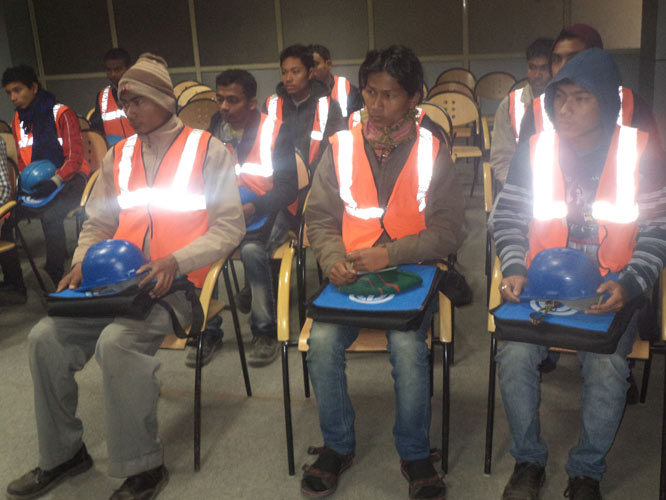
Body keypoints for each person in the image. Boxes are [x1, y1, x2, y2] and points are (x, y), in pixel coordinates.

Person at [4, 53, 245, 500]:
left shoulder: (207, 150)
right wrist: (81, 261)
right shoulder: (119, 155)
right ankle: (63, 454)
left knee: (117, 343)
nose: (129, 111)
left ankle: (143, 468)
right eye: (124, 101)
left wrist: (176, 261)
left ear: (163, 99)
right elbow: (98, 222)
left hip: (177, 286)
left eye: (138, 101)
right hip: (113, 283)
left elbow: (230, 227)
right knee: (44, 338)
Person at [489, 48, 666, 500]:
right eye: (560, 97)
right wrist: (514, 267)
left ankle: (586, 470)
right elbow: (506, 216)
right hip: (542, 287)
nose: (565, 108)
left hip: (611, 288)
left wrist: (630, 283)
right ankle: (528, 460)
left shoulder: (639, 151)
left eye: (580, 98)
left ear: (605, 102)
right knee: (513, 356)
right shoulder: (537, 150)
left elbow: (658, 229)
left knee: (606, 367)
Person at [301, 45, 465, 499]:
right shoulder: (341, 146)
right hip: (351, 274)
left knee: (409, 348)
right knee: (321, 343)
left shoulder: (432, 149)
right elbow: (320, 219)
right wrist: (332, 258)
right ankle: (337, 445)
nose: (376, 104)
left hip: (412, 273)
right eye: (370, 93)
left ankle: (414, 452)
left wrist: (390, 255)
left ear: (414, 97)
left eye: (389, 95)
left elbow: (451, 230)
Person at [190, 69, 297, 367]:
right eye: (220, 99)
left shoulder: (276, 130)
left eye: (233, 100)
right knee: (200, 249)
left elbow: (287, 189)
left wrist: (253, 208)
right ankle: (208, 331)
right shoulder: (215, 129)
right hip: (229, 210)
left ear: (252, 103)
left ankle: (264, 331)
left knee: (252, 252)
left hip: (269, 209)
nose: (224, 107)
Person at [1, 65, 89, 303]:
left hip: (70, 179)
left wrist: (55, 180)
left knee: (51, 215)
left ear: (34, 87)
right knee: (6, 217)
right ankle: (14, 284)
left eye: (17, 90)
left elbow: (75, 158)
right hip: (38, 184)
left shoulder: (62, 113)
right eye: (9, 93)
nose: (13, 97)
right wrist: (27, 184)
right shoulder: (18, 119)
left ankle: (54, 276)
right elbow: (23, 160)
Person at [518, 24, 661, 150]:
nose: (564, 67)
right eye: (556, 60)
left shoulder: (631, 104)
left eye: (574, 58)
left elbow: (654, 164)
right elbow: (523, 166)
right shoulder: (537, 110)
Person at [489, 38, 552, 185]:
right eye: (532, 67)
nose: (537, 74)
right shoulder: (509, 105)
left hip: (559, 184)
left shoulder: (566, 103)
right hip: (519, 185)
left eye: (543, 68)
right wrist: (515, 189)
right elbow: (501, 159)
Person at [89, 48, 135, 145]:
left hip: (143, 150)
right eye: (109, 70)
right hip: (114, 151)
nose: (113, 74)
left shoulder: (143, 91)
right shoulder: (102, 96)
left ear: (129, 69)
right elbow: (96, 129)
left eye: (117, 69)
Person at [309, 44, 363, 119]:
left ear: (328, 64)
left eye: (315, 64)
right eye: (308, 65)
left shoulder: (348, 90)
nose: (311, 69)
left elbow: (356, 122)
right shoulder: (302, 93)